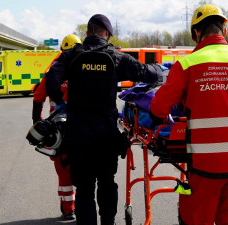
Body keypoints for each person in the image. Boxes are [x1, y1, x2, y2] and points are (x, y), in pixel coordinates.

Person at [149, 4, 228, 225]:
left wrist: (165, 119)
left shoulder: (187, 64)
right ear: (224, 30)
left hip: (205, 165)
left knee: (199, 220)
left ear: (195, 33)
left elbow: (158, 108)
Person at [45, 14, 162, 225]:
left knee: (84, 189)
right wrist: (158, 68)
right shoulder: (116, 56)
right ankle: (108, 222)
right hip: (106, 136)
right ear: (107, 34)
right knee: (107, 183)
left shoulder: (71, 55)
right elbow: (148, 75)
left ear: (88, 32)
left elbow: (51, 82)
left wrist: (63, 105)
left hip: (78, 136)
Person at [32, 34, 81, 220]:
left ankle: (68, 209)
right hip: (81, 127)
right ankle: (83, 207)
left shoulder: (53, 70)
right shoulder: (84, 69)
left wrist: (37, 123)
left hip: (59, 132)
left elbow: (38, 97)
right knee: (85, 168)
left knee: (64, 169)